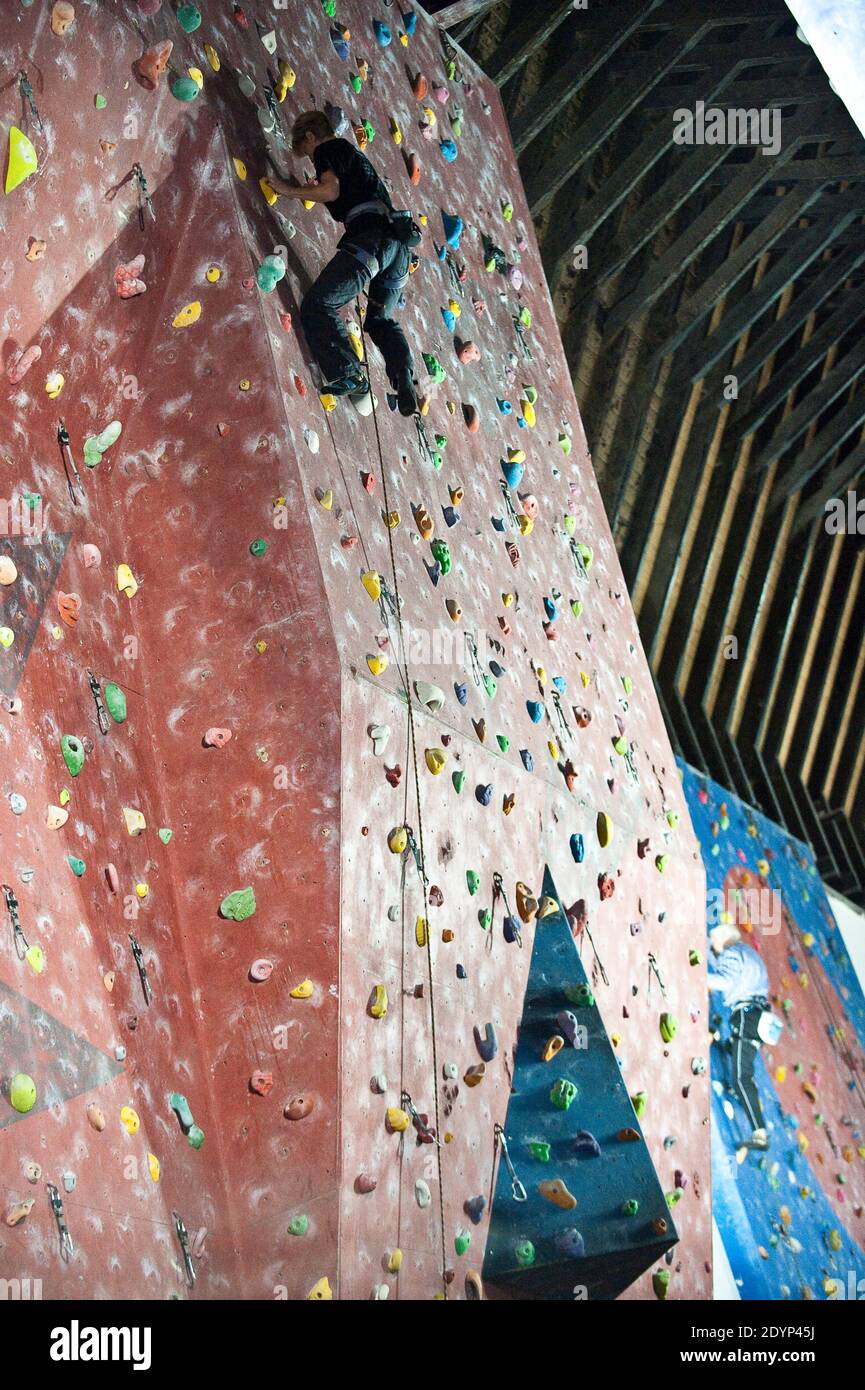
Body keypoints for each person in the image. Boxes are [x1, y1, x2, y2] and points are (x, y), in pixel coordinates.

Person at [268, 111, 418, 416]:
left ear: (311, 136)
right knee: (380, 321)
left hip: (372, 240)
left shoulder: (329, 149)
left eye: (308, 152)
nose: (314, 160)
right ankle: (403, 374)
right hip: (399, 250)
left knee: (318, 305)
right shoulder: (355, 158)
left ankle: (349, 373)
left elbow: (330, 190)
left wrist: (290, 191)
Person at [707, 924, 773, 1150]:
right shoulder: (748, 954)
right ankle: (729, 1054)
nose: (711, 944)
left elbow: (724, 981)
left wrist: (695, 976)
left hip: (748, 1017)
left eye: (712, 939)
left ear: (724, 938)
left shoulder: (732, 952)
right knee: (733, 1049)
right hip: (756, 1016)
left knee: (740, 1077)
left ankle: (760, 1133)